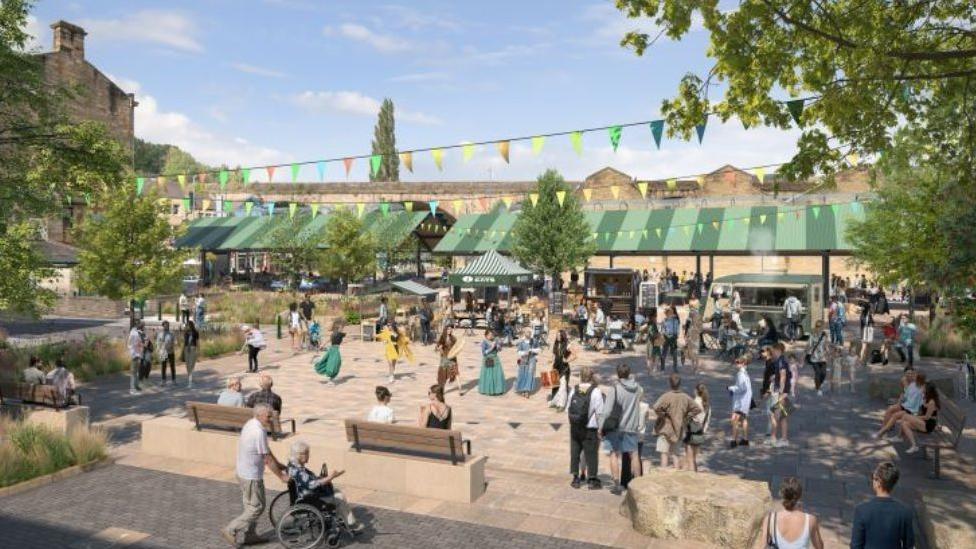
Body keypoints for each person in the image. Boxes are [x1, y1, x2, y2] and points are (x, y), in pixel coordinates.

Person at [221, 404, 289, 547]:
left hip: (243, 473)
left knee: (251, 506)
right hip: (251, 476)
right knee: (256, 508)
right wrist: (281, 476)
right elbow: (267, 459)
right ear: (259, 415)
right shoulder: (258, 431)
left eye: (271, 416)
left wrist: (279, 464)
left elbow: (266, 450)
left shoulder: (251, 423)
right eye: (268, 416)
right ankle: (230, 529)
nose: (270, 419)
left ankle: (250, 535)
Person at [286, 441, 363, 533]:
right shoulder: (299, 471)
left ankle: (344, 519)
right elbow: (312, 484)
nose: (308, 456)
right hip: (309, 498)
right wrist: (330, 477)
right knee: (339, 497)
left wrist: (326, 478)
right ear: (300, 455)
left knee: (337, 491)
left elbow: (309, 481)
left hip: (303, 494)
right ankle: (351, 524)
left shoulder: (293, 466)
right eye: (307, 454)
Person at [599, 363, 645, 494]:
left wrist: (600, 427)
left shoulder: (615, 389)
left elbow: (606, 411)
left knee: (614, 454)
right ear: (629, 373)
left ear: (618, 374)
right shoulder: (637, 388)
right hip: (631, 426)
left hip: (616, 426)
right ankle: (639, 485)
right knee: (634, 455)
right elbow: (641, 397)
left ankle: (616, 484)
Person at [850, 462, 915, 549]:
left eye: (873, 478)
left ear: (878, 482)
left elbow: (856, 545)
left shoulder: (862, 510)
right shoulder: (905, 512)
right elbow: (909, 545)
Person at [652, 374, 702, 469]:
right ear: (680, 384)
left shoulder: (666, 396)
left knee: (664, 453)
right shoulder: (685, 397)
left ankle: (663, 475)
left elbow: (655, 407)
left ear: (669, 383)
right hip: (679, 429)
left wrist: (663, 415)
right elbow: (697, 409)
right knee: (675, 454)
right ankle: (676, 475)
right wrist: (686, 416)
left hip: (665, 428)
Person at [759, 477, 825, 549]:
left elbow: (763, 547)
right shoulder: (810, 520)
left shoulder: (770, 519)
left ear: (781, 494)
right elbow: (820, 547)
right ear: (800, 496)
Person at [568, 367, 604, 489]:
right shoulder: (596, 391)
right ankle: (592, 479)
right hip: (590, 428)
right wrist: (600, 429)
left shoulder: (574, 389)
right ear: (592, 377)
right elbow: (599, 412)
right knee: (591, 453)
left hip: (575, 426)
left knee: (575, 451)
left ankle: (575, 478)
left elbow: (569, 407)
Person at [875, 371, 924, 438]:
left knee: (896, 415)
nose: (912, 377)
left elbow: (921, 402)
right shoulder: (912, 384)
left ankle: (882, 432)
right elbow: (905, 395)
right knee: (890, 409)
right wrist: (899, 402)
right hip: (906, 405)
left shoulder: (922, 388)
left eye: (914, 376)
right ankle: (883, 428)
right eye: (913, 376)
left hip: (912, 409)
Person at [898, 381, 940, 454]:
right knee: (904, 424)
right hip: (923, 422)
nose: (922, 388)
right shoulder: (925, 398)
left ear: (927, 390)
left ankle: (899, 436)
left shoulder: (931, 402)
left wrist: (915, 417)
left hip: (928, 425)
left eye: (923, 387)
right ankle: (914, 446)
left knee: (905, 416)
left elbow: (927, 417)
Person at [767, 342, 793, 447]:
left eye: (773, 350)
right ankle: (776, 438)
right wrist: (774, 377)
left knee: (777, 416)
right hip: (782, 391)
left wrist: (781, 393)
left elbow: (783, 377)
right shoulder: (780, 361)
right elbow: (782, 375)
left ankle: (780, 439)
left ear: (778, 350)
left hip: (781, 392)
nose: (772, 352)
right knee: (780, 416)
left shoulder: (781, 362)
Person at [684, 383, 710, 472]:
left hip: (691, 431)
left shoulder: (694, 403)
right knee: (694, 458)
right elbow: (707, 421)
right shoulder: (707, 405)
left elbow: (688, 416)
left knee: (690, 458)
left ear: (696, 391)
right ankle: (695, 473)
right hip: (700, 431)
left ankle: (691, 477)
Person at [728, 355, 753, 448]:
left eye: (738, 362)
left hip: (740, 401)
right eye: (736, 362)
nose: (736, 364)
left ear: (743, 363)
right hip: (745, 400)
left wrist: (731, 388)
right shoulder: (745, 373)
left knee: (734, 419)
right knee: (744, 419)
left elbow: (742, 388)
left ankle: (734, 440)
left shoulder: (740, 374)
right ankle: (745, 439)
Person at [435, 325, 464, 395]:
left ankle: (460, 389)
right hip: (444, 358)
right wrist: (439, 348)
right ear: (445, 330)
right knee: (443, 375)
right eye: (448, 329)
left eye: (451, 329)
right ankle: (442, 390)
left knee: (456, 373)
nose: (450, 330)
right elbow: (437, 348)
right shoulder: (442, 338)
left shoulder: (453, 338)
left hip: (452, 357)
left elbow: (457, 346)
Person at [478, 330, 506, 396]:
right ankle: (489, 390)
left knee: (497, 374)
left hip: (495, 359)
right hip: (488, 359)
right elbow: (484, 353)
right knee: (489, 375)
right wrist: (491, 347)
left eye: (492, 335)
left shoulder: (495, 341)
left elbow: (499, 350)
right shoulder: (484, 342)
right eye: (489, 335)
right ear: (486, 335)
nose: (491, 336)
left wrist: (499, 345)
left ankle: (497, 390)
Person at [514, 327, 539, 397]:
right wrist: (525, 352)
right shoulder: (521, 342)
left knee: (530, 374)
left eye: (529, 332)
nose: (528, 333)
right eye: (526, 332)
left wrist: (532, 350)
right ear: (524, 333)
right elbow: (518, 351)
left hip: (532, 360)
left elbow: (538, 349)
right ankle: (522, 389)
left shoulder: (534, 341)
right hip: (523, 360)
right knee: (523, 374)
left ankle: (527, 390)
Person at [807, 320, 830, 396]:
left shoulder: (825, 335)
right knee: (818, 373)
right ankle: (818, 388)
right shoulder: (812, 335)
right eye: (817, 326)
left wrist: (828, 352)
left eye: (820, 326)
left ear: (823, 327)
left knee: (823, 373)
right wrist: (806, 353)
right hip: (814, 358)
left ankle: (818, 383)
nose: (818, 328)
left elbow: (826, 345)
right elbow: (809, 345)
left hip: (823, 357)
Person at [156, 321, 177, 386]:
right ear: (163, 326)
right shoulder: (160, 334)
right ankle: (163, 381)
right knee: (163, 367)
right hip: (163, 352)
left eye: (167, 325)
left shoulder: (171, 334)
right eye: (165, 325)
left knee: (172, 366)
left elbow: (175, 341)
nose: (166, 326)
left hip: (171, 351)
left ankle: (174, 380)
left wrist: (173, 345)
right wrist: (158, 350)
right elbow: (158, 343)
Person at [660, 306, 681, 372]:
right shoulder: (664, 320)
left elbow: (677, 328)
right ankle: (662, 367)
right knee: (664, 352)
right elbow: (662, 329)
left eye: (671, 312)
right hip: (666, 337)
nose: (670, 313)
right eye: (669, 312)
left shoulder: (676, 320)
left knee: (674, 353)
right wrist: (665, 334)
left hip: (673, 337)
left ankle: (675, 368)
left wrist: (677, 335)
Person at [685, 302, 703, 375]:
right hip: (691, 336)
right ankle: (693, 367)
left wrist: (696, 331)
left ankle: (696, 368)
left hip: (695, 336)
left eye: (692, 311)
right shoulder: (690, 319)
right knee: (691, 352)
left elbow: (700, 329)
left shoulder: (698, 317)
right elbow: (687, 326)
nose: (691, 313)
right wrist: (687, 335)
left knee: (695, 352)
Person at [126, 320, 144, 395]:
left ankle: (136, 386)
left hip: (137, 354)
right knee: (133, 372)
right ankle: (132, 389)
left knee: (136, 372)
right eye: (142, 325)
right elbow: (131, 344)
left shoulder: (136, 332)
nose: (143, 327)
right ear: (138, 325)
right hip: (135, 354)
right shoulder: (134, 333)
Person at [644, 307, 662, 375]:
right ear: (653, 317)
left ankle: (651, 369)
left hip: (652, 341)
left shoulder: (650, 324)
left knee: (651, 356)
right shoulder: (652, 324)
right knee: (653, 356)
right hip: (653, 342)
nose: (656, 318)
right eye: (656, 316)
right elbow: (652, 334)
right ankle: (652, 370)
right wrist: (658, 335)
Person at [184, 320, 199, 388]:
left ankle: (190, 381)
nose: (188, 326)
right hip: (186, 349)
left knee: (191, 365)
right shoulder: (186, 333)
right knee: (187, 366)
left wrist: (198, 350)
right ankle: (191, 379)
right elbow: (185, 342)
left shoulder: (195, 332)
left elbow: (197, 342)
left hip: (193, 348)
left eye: (189, 325)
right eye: (187, 325)